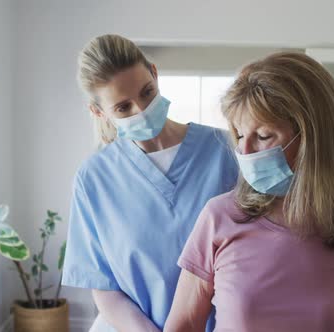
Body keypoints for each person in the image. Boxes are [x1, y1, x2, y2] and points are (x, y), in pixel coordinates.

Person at [165, 52, 334, 332]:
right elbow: (182, 325)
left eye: (263, 136)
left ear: (313, 138)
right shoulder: (219, 217)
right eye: (240, 135)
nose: (244, 153)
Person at [61, 34, 239, 332]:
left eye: (146, 92)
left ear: (155, 74)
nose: (140, 110)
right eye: (122, 107)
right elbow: (102, 284)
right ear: (98, 112)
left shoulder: (225, 151)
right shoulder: (94, 178)